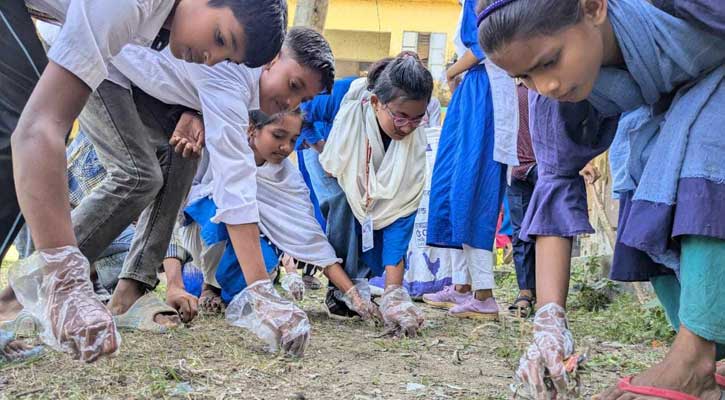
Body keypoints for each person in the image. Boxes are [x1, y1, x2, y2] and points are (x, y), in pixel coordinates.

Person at [0, 0, 288, 363]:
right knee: (15, 136)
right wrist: (67, 284)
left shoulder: (161, 25)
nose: (210, 58)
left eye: (225, 56)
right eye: (219, 37)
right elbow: (40, 128)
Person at [477, 0, 725, 398]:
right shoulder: (553, 99)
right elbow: (556, 183)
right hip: (672, 113)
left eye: (550, 61)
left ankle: (693, 357)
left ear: (593, 8)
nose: (546, 86)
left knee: (707, 142)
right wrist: (549, 323)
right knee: (639, 165)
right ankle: (707, 348)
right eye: (525, 77)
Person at [105, 27, 335, 355]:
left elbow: (282, 215)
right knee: (143, 178)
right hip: (103, 61)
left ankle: (126, 295)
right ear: (272, 59)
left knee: (175, 170)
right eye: (293, 86)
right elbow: (233, 190)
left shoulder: (229, 105)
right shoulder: (231, 85)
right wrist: (262, 296)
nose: (290, 102)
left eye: (304, 100)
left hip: (130, 74)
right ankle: (27, 294)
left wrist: (194, 110)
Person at [176, 109, 381, 352]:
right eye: (278, 136)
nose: (285, 147)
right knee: (218, 212)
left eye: (293, 140)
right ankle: (209, 286)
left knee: (263, 252)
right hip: (203, 236)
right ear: (252, 129)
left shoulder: (288, 179)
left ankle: (232, 292)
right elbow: (183, 202)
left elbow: (312, 240)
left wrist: (354, 296)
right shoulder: (222, 152)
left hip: (251, 251)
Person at [318, 54, 434, 337]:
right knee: (342, 208)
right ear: (375, 103)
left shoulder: (413, 149)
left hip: (379, 188)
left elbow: (402, 212)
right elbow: (303, 113)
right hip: (334, 165)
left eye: (417, 119)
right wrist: (314, 141)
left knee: (382, 220)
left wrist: (395, 294)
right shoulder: (342, 97)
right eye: (400, 117)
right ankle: (343, 289)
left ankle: (370, 288)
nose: (408, 127)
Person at [421, 0, 505, 321]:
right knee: (453, 184)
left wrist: (452, 70)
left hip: (483, 89)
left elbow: (484, 45)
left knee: (473, 183)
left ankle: (483, 292)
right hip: (472, 89)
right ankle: (461, 285)